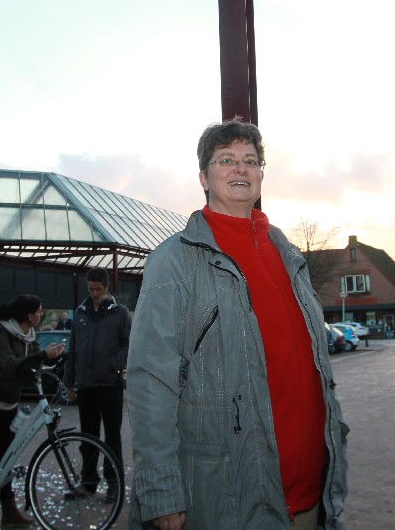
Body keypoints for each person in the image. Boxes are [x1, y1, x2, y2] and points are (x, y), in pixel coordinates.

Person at [126, 119, 348, 530]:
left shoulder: (289, 256)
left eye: (251, 160)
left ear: (261, 173)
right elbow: (150, 380)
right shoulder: (175, 262)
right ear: (203, 177)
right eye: (226, 160)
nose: (241, 168)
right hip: (229, 500)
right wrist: (160, 490)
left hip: (310, 499)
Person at [0, 295, 65, 529]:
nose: (41, 315)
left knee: (7, 460)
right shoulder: (1, 334)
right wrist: (43, 356)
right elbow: (10, 365)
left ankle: (8, 511)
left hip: (10, 404)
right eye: (39, 311)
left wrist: (56, 358)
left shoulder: (29, 337)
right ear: (29, 315)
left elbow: (33, 363)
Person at [61, 267, 132, 504]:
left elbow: (129, 344)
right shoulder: (80, 313)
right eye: (91, 289)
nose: (94, 293)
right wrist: (69, 382)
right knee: (87, 437)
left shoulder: (120, 313)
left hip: (110, 385)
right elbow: (73, 348)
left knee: (112, 437)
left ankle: (114, 483)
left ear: (107, 287)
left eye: (98, 289)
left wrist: (113, 364)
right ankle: (88, 482)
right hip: (86, 385)